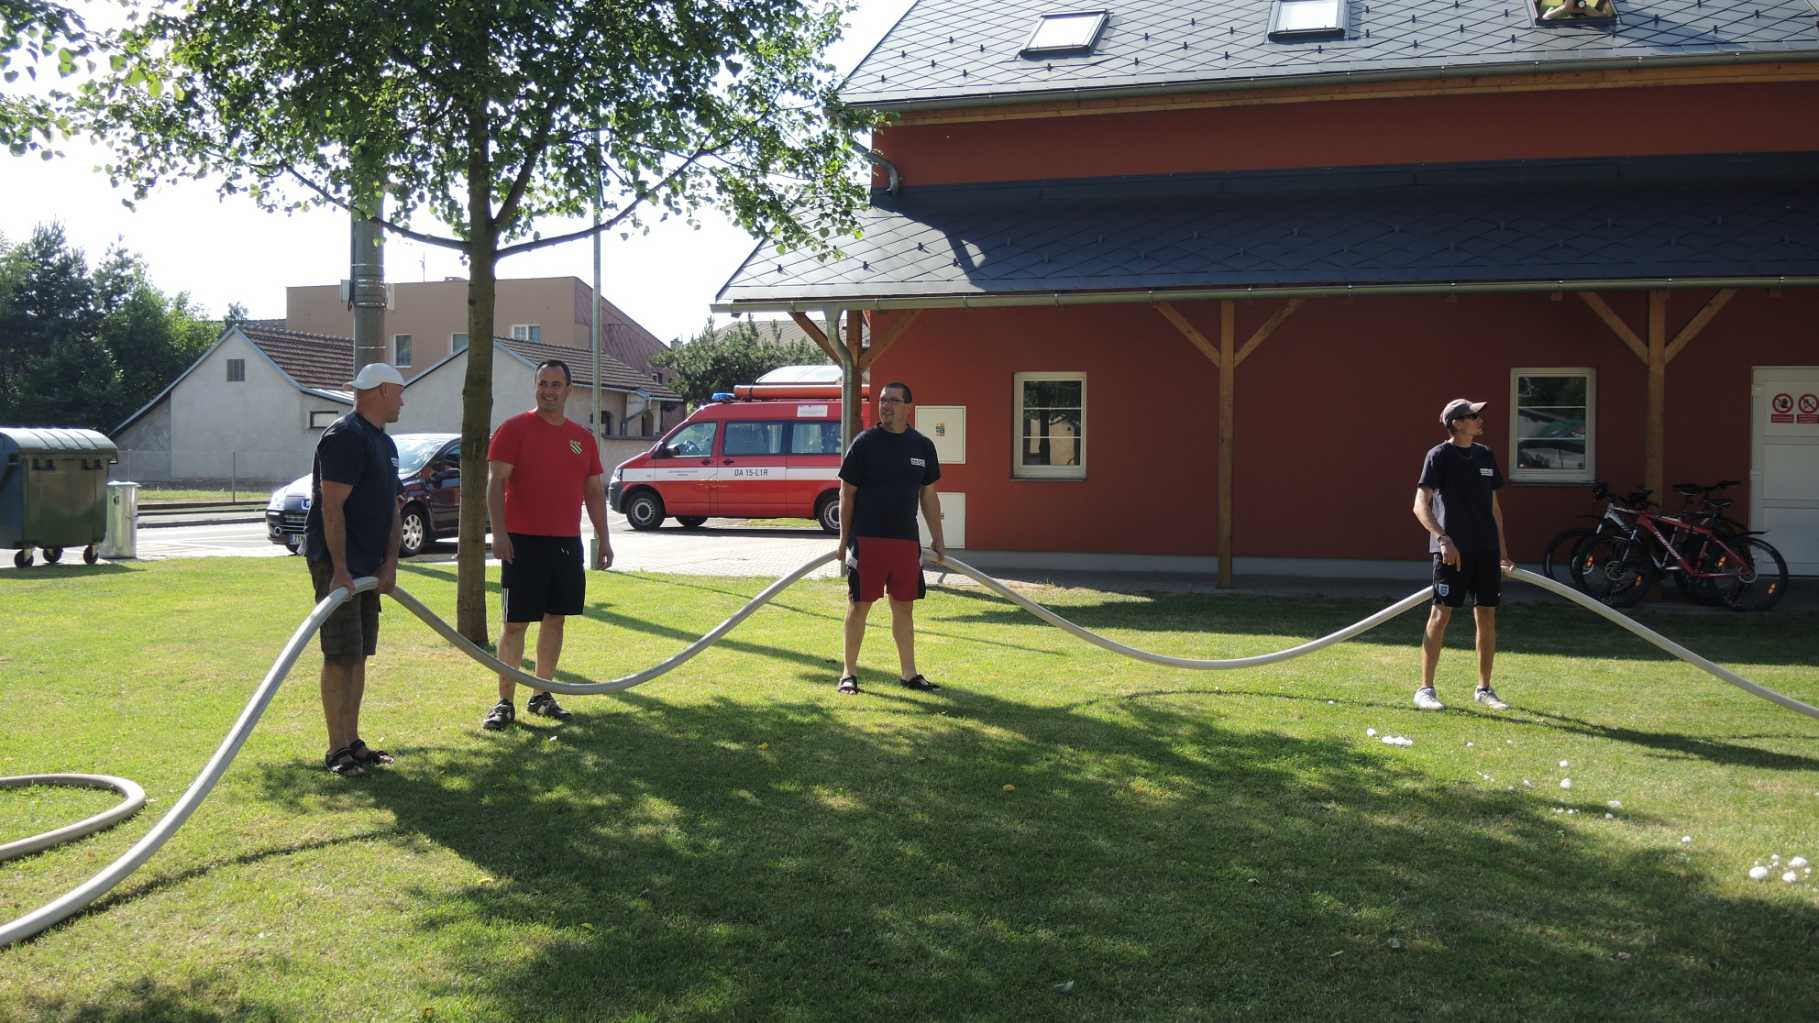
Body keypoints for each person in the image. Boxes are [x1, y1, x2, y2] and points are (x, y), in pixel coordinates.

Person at [481, 359, 612, 729]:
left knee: (555, 620)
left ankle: (541, 693)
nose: (548, 391)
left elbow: (593, 493)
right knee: (515, 623)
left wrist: (603, 538)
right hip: (522, 542)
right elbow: (495, 484)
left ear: (568, 391)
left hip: (566, 544)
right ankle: (504, 701)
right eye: (543, 384)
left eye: (556, 385)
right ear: (535, 386)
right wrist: (500, 533)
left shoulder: (582, 438)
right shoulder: (514, 429)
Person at [304, 362, 406, 776]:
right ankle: (336, 749)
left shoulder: (384, 443)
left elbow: (392, 508)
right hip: (339, 562)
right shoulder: (345, 437)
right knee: (340, 652)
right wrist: (340, 568)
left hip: (369, 564)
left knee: (359, 652)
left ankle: (353, 740)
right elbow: (331, 507)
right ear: (382, 391)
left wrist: (390, 563)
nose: (403, 400)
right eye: (399, 392)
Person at [835, 381, 946, 694]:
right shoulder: (865, 443)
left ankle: (909, 674)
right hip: (867, 540)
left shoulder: (922, 446)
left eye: (894, 401)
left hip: (905, 542)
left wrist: (937, 537)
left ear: (908, 407)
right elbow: (847, 493)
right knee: (859, 606)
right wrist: (844, 540)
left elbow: (929, 495)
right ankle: (848, 674)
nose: (886, 406)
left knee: (903, 609)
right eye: (883, 400)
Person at [1412, 398, 1516, 712]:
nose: (1480, 419)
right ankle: (1425, 690)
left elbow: (1494, 509)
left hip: (1486, 551)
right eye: (1473, 415)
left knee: (1486, 615)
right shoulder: (1438, 456)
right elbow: (1420, 505)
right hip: (1452, 553)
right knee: (1440, 615)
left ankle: (1484, 689)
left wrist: (1504, 553)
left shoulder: (1485, 455)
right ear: (1457, 423)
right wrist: (1443, 539)